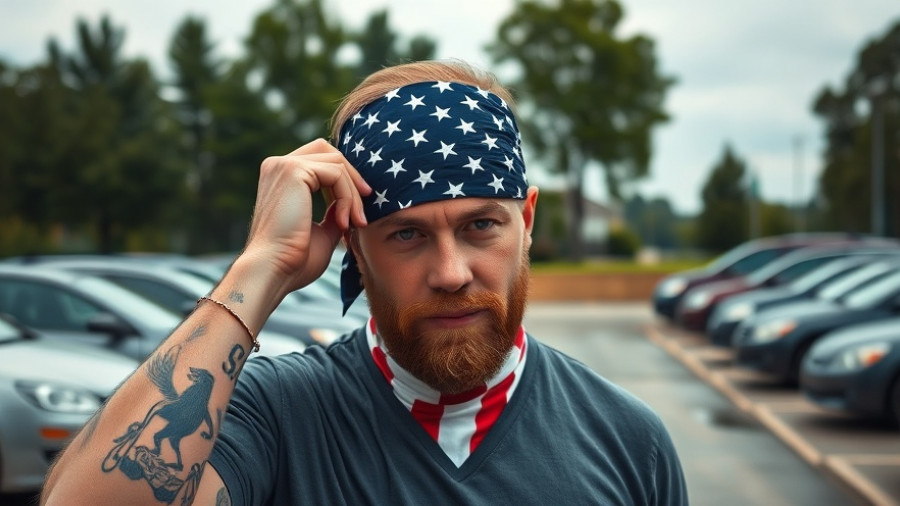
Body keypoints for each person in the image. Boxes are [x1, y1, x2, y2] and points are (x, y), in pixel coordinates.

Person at [41, 59, 688, 505]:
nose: (451, 272)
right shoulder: (278, 415)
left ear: (527, 221)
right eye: (406, 234)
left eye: (481, 226)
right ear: (355, 244)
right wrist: (260, 267)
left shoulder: (626, 440)